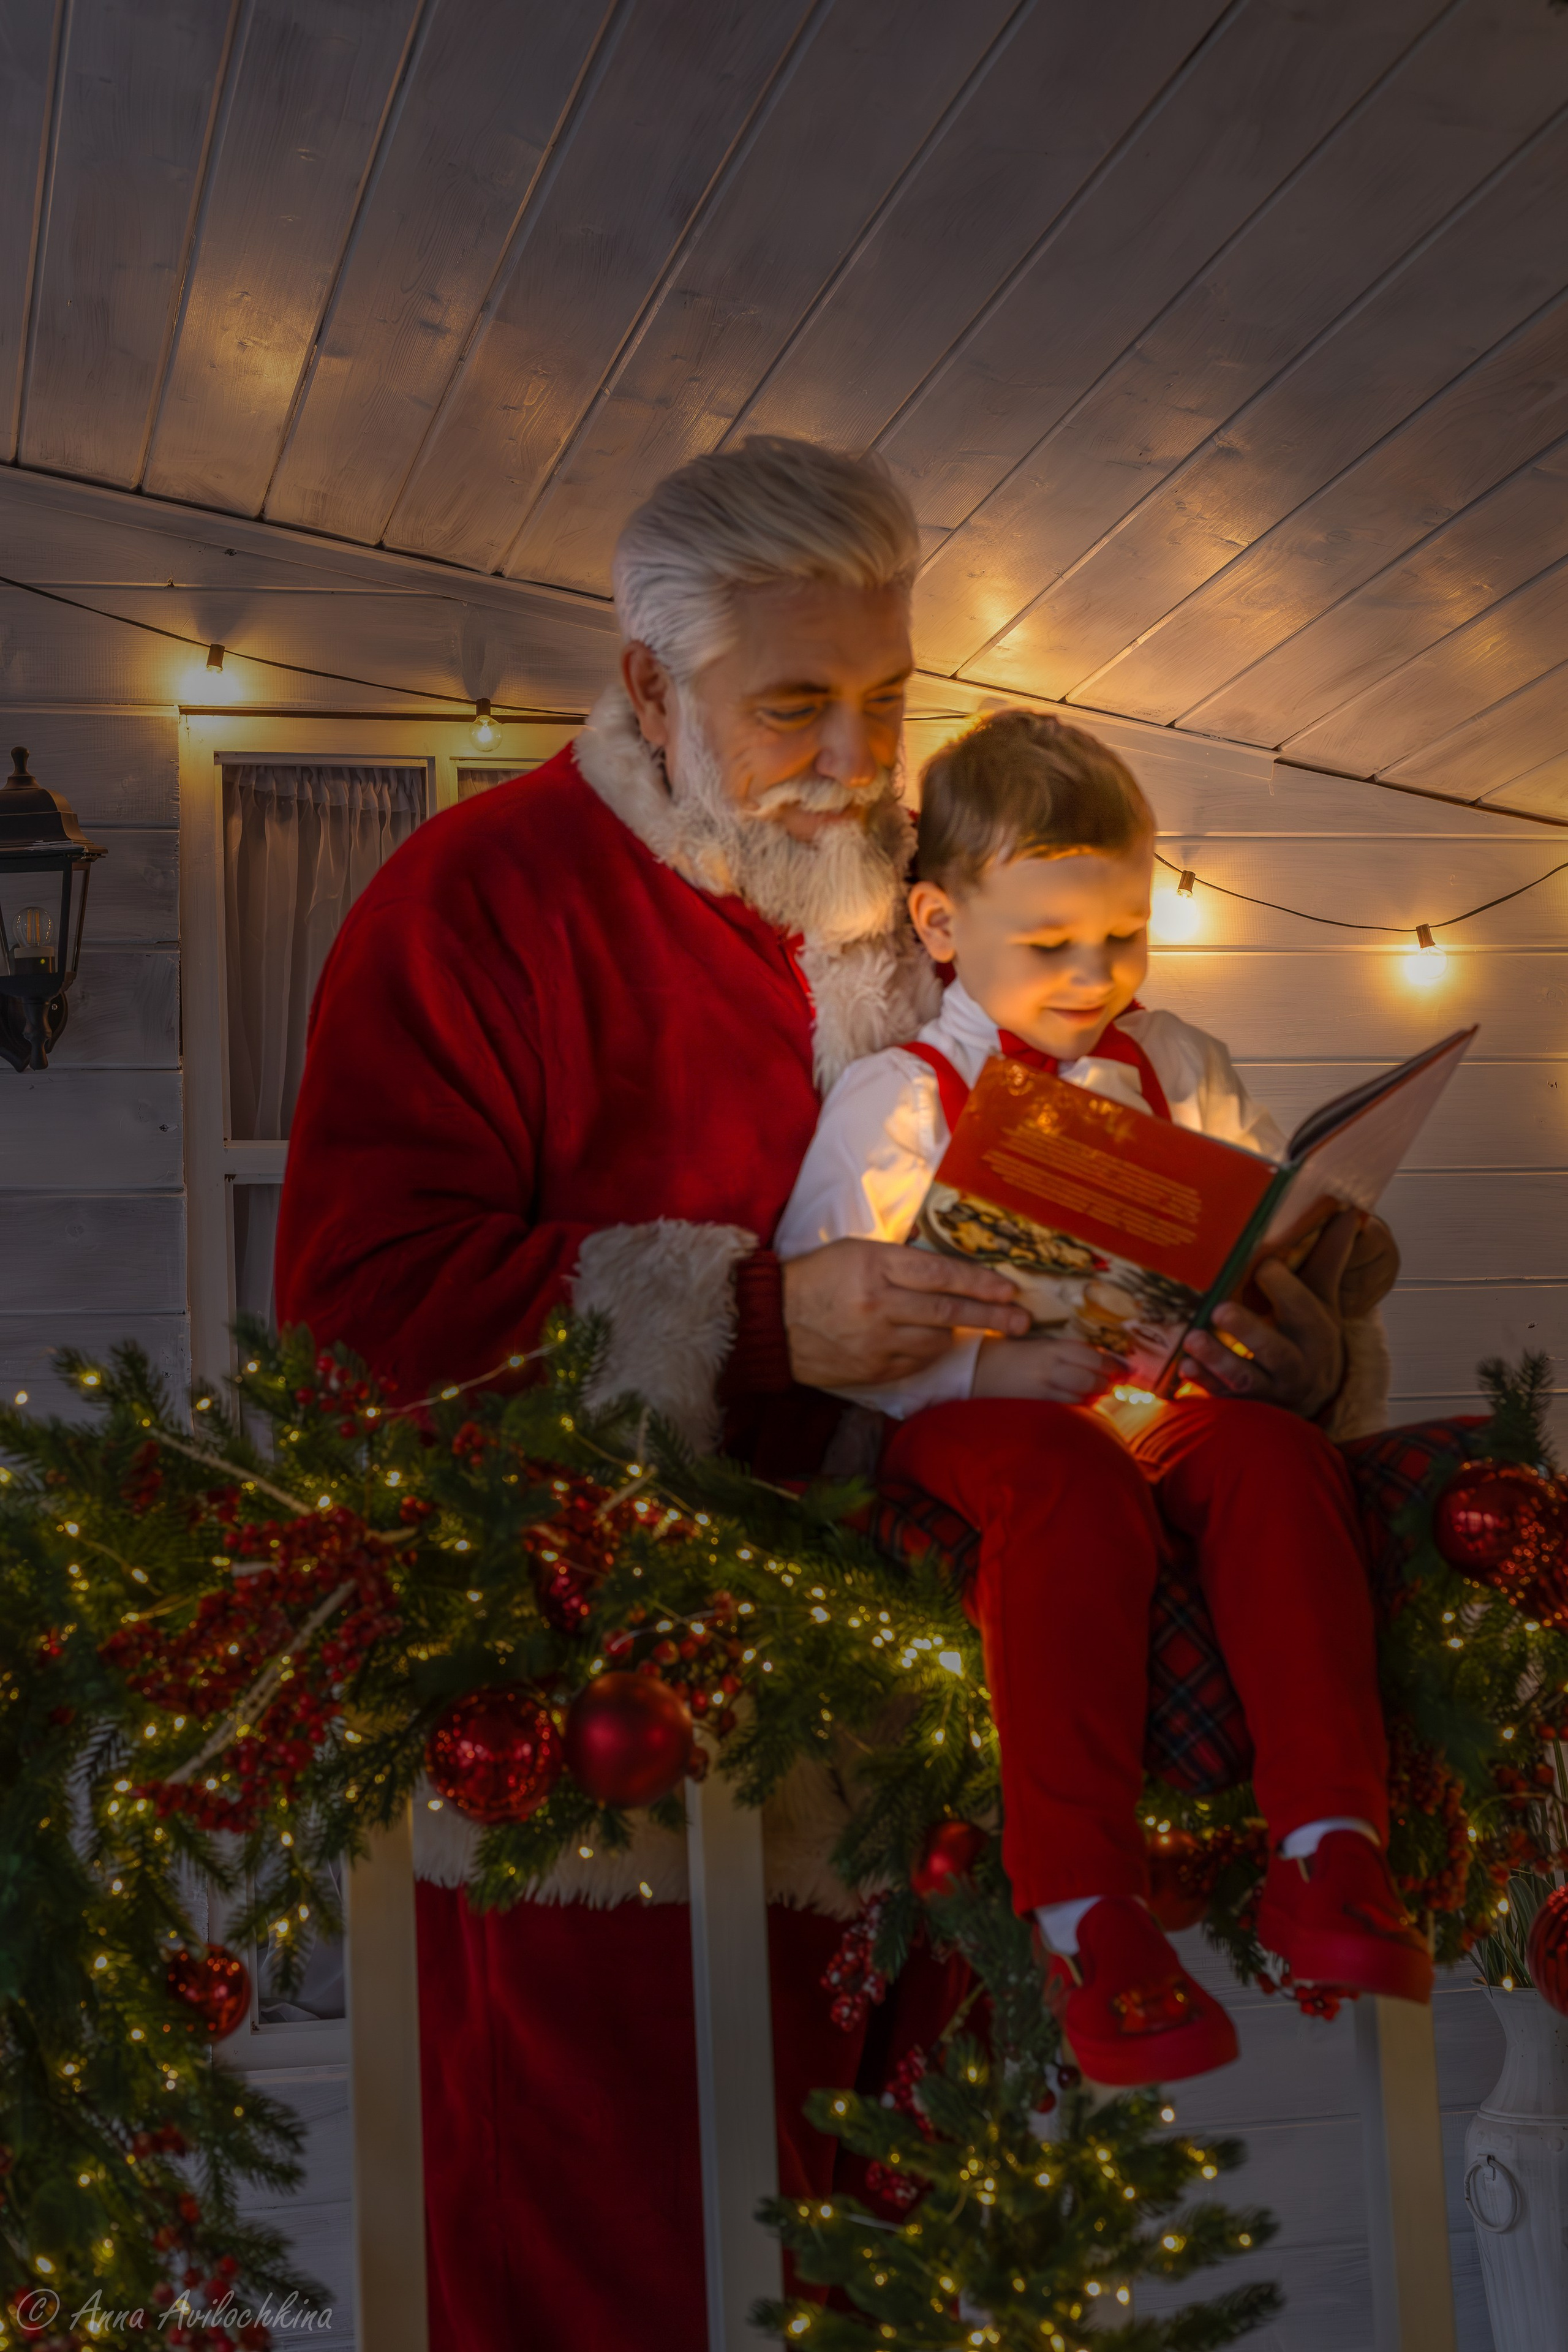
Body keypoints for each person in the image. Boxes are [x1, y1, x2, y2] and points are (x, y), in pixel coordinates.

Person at [274, 440, 1397, 2342]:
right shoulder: (478, 899)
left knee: (925, 2270)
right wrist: (765, 1321)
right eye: (796, 704)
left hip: (945, 1745)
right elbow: (357, 1316)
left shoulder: (931, 898)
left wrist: (1289, 1335)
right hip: (609, 1756)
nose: (859, 758)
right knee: (622, 2262)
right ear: (649, 687)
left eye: (888, 700)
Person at [775, 709, 1428, 2086]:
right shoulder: (899, 1092)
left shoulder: (1175, 1066)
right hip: (967, 1423)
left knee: (1270, 1464)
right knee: (1064, 1490)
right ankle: (1082, 1904)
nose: (1093, 975)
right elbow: (833, 1310)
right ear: (942, 925)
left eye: (1121, 938)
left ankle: (1328, 1845)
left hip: (1146, 1394)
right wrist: (985, 1364)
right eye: (1049, 944)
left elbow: (1232, 1224)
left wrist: (1250, 1309)